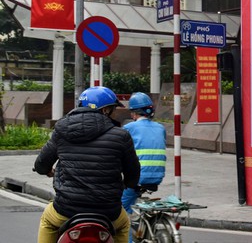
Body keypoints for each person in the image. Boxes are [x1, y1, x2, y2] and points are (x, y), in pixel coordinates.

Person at [34, 86, 140, 243]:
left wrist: (48, 171)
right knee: (124, 225)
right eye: (112, 109)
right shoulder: (121, 135)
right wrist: (127, 183)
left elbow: (41, 165)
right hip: (108, 211)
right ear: (105, 110)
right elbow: (133, 173)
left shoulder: (61, 130)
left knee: (47, 221)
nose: (114, 113)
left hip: (66, 209)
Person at [121, 91, 167, 238]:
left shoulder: (129, 128)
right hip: (157, 176)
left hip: (138, 177)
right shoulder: (160, 128)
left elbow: (119, 152)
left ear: (134, 113)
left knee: (120, 210)